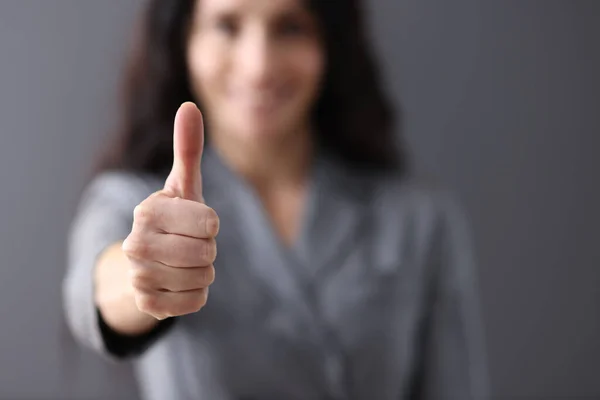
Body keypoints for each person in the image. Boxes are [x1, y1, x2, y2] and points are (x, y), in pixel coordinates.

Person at [62, 0, 490, 399]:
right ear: (183, 40)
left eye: (290, 27)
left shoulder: (419, 220)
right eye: (226, 26)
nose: (259, 67)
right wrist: (144, 273)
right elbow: (96, 292)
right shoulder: (133, 201)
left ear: (329, 41)